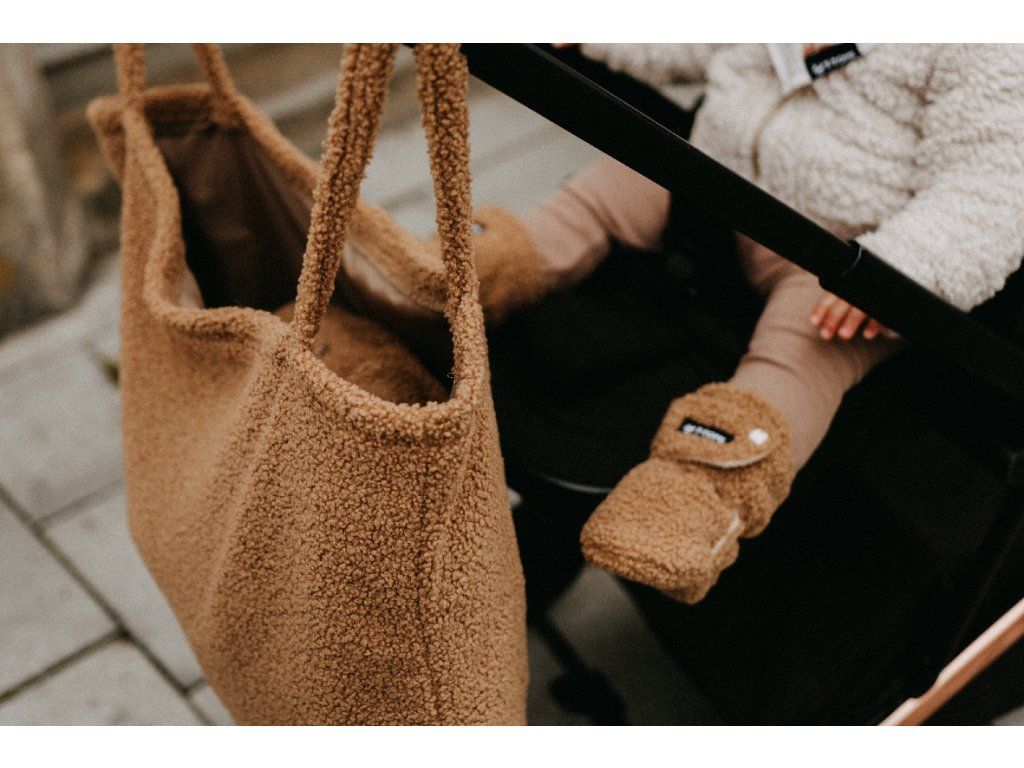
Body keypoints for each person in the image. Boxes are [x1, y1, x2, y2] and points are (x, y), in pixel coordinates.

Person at [342, 44, 1024, 603]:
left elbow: (993, 188)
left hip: (838, 253)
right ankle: (440, 282)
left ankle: (697, 495)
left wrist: (903, 270)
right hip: (712, 178)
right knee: (597, 198)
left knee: (804, 354)